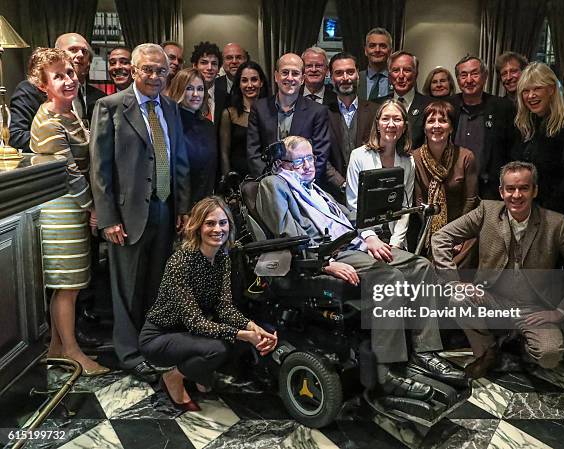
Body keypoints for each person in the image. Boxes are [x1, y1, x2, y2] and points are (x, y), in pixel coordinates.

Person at [256, 136, 469, 398]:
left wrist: (369, 237)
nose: (307, 165)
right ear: (281, 163)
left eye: (310, 158)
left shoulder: (315, 189)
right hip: (326, 254)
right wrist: (325, 264)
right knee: (389, 279)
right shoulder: (274, 184)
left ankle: (425, 352)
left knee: (420, 266)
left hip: (353, 244)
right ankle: (386, 371)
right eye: (299, 161)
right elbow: (286, 235)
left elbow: (347, 217)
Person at [431, 161, 564, 379]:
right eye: (510, 189)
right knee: (458, 298)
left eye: (524, 188)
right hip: (490, 298)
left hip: (532, 308)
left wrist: (560, 313)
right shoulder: (487, 211)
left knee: (549, 356)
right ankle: (488, 351)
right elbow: (441, 237)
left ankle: (520, 346)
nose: (517, 195)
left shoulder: (555, 224)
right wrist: (453, 282)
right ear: (501, 191)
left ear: (534, 190)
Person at [90, 43, 191, 383]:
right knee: (127, 288)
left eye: (161, 70)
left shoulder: (171, 109)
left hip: (165, 210)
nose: (154, 76)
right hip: (127, 216)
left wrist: (184, 208)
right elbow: (100, 170)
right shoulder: (111, 107)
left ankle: (151, 345)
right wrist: (108, 218)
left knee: (156, 285)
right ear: (133, 71)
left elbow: (180, 162)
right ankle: (129, 353)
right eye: (147, 69)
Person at [140, 197, 277, 411]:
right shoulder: (181, 262)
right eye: (210, 223)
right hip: (160, 336)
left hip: (193, 332)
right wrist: (242, 334)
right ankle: (173, 377)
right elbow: (195, 322)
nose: (218, 229)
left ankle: (198, 373)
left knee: (257, 333)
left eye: (222, 223)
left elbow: (224, 307)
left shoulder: (222, 257)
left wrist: (252, 327)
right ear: (197, 227)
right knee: (218, 348)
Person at [28, 48, 109, 376]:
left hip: (71, 207)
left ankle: (56, 349)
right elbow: (70, 172)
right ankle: (73, 351)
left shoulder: (70, 112)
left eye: (70, 73)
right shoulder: (48, 118)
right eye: (58, 75)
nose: (68, 79)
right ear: (42, 83)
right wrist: (92, 208)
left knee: (68, 284)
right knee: (69, 284)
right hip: (61, 211)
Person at [512, 62, 564, 218]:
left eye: (537, 88)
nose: (531, 96)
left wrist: (546, 215)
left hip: (549, 216)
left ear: (551, 89)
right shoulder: (527, 124)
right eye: (526, 91)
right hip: (523, 210)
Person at [9, 32, 105, 150]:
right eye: (73, 49)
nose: (80, 55)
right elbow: (16, 135)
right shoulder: (30, 90)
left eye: (84, 52)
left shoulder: (96, 96)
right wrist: (60, 141)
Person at [246, 53, 331, 181]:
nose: (290, 78)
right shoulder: (259, 108)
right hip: (266, 185)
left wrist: (300, 184)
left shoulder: (317, 112)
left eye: (295, 73)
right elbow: (253, 153)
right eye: (285, 72)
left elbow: (320, 157)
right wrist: (270, 182)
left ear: (302, 79)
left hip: (303, 188)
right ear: (276, 76)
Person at [412, 101, 479, 257]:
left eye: (443, 121)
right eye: (431, 121)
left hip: (462, 232)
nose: (436, 126)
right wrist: (436, 235)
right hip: (429, 231)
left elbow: (471, 200)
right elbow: (419, 201)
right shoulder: (414, 159)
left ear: (451, 128)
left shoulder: (466, 157)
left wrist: (457, 235)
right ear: (424, 128)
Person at [345, 99, 414, 249]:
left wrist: (395, 243)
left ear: (404, 126)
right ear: (377, 124)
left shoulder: (408, 161)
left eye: (397, 119)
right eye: (385, 119)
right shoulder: (358, 156)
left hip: (395, 239)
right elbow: (353, 205)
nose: (391, 124)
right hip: (365, 238)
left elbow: (405, 207)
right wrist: (370, 238)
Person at [450, 55, 514, 200]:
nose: (469, 80)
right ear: (458, 80)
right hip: (453, 190)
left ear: (485, 77)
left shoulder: (503, 108)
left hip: (490, 193)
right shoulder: (449, 106)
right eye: (463, 75)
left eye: (474, 74)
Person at [325, 52, 377, 202]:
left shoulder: (375, 111)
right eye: (339, 73)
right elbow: (318, 155)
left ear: (358, 75)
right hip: (332, 194)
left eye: (350, 72)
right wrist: (341, 183)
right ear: (331, 77)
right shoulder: (321, 112)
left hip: (369, 192)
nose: (345, 78)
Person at [167, 68, 218, 204]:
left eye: (200, 89)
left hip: (204, 204)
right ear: (179, 89)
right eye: (189, 88)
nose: (196, 94)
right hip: (177, 205)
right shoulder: (169, 124)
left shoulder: (208, 126)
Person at [219, 61, 268, 179]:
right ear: (239, 84)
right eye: (244, 80)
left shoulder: (272, 111)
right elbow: (224, 153)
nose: (250, 85)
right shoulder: (229, 114)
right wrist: (228, 180)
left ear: (261, 82)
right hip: (237, 178)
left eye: (254, 80)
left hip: (266, 176)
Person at [380, 51, 432, 149]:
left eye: (407, 70)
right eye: (396, 71)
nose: (401, 76)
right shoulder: (377, 105)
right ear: (390, 76)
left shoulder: (429, 105)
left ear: (416, 74)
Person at [191, 41, 224, 124]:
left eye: (214, 63)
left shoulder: (225, 98)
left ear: (219, 69)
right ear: (195, 66)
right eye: (204, 63)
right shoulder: (185, 95)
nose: (209, 68)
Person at [357, 27, 392, 100]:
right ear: (366, 51)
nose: (377, 50)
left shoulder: (399, 79)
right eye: (372, 46)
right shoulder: (355, 79)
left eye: (383, 46)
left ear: (390, 51)